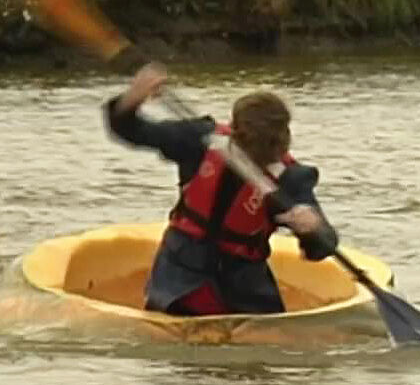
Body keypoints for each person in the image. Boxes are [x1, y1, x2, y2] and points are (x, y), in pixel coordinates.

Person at [105, 64, 339, 316]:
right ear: (236, 130)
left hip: (245, 289)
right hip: (179, 280)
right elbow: (131, 130)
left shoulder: (291, 179)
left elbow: (323, 246)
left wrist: (313, 228)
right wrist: (131, 100)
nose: (262, 151)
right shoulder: (199, 140)